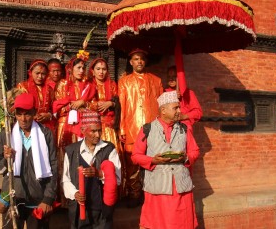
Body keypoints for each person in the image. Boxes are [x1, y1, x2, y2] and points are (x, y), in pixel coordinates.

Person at [132, 91, 200, 229]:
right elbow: (135, 156)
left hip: (181, 188)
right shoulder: (147, 129)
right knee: (158, 224)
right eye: (175, 108)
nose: (179, 111)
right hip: (157, 189)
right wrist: (153, 160)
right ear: (163, 110)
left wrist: (185, 157)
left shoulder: (184, 128)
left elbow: (195, 151)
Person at [0, 93, 58, 229]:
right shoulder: (6, 136)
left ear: (34, 113)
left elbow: (54, 167)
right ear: (14, 114)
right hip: (13, 196)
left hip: (38, 198)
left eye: (27, 114)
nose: (23, 119)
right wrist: (6, 159)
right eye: (19, 114)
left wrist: (48, 198)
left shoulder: (45, 134)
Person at [118, 48, 163, 207]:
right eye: (136, 59)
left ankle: (154, 193)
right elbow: (122, 106)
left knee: (154, 159)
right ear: (131, 62)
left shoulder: (156, 80)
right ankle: (134, 193)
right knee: (133, 162)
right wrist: (122, 128)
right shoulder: (124, 81)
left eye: (142, 59)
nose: (139, 62)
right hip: (132, 125)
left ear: (146, 61)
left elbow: (161, 106)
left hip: (153, 127)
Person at [62, 110, 121, 228]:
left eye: (99, 130)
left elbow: (118, 179)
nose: (98, 135)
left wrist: (99, 173)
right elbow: (65, 179)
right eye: (93, 131)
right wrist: (75, 193)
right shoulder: (71, 151)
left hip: (102, 211)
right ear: (83, 130)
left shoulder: (109, 149)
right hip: (80, 211)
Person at [53, 55, 96, 207]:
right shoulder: (62, 84)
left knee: (83, 158)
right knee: (65, 159)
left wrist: (84, 103)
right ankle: (66, 199)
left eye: (83, 68)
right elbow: (57, 109)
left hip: (84, 126)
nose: (81, 70)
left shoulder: (89, 85)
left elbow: (93, 106)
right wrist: (72, 105)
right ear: (71, 69)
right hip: (66, 127)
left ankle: (84, 194)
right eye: (78, 67)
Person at [17, 59, 56, 134]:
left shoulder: (50, 89)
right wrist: (31, 116)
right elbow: (18, 109)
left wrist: (48, 115)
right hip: (28, 126)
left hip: (46, 127)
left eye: (43, 74)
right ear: (30, 73)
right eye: (37, 73)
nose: (40, 77)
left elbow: (52, 108)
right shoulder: (22, 87)